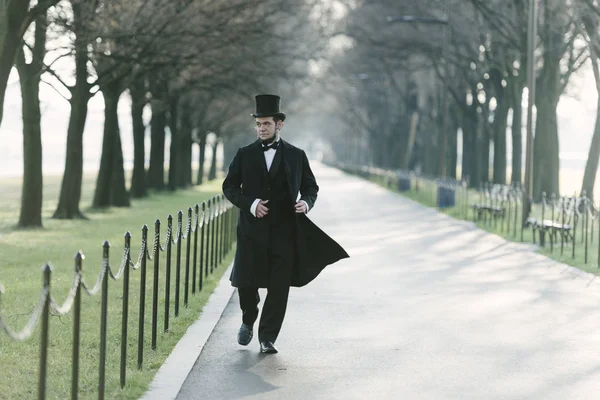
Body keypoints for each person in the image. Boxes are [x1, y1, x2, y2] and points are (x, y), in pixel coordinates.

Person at [222, 94, 349, 354]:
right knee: (246, 284)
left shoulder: (296, 155)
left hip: (285, 231)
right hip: (251, 231)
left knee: (279, 288)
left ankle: (267, 337)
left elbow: (311, 187)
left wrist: (307, 203)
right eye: (258, 124)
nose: (261, 128)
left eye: (266, 124)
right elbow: (230, 187)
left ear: (279, 124)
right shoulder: (244, 155)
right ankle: (249, 316)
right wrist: (251, 203)